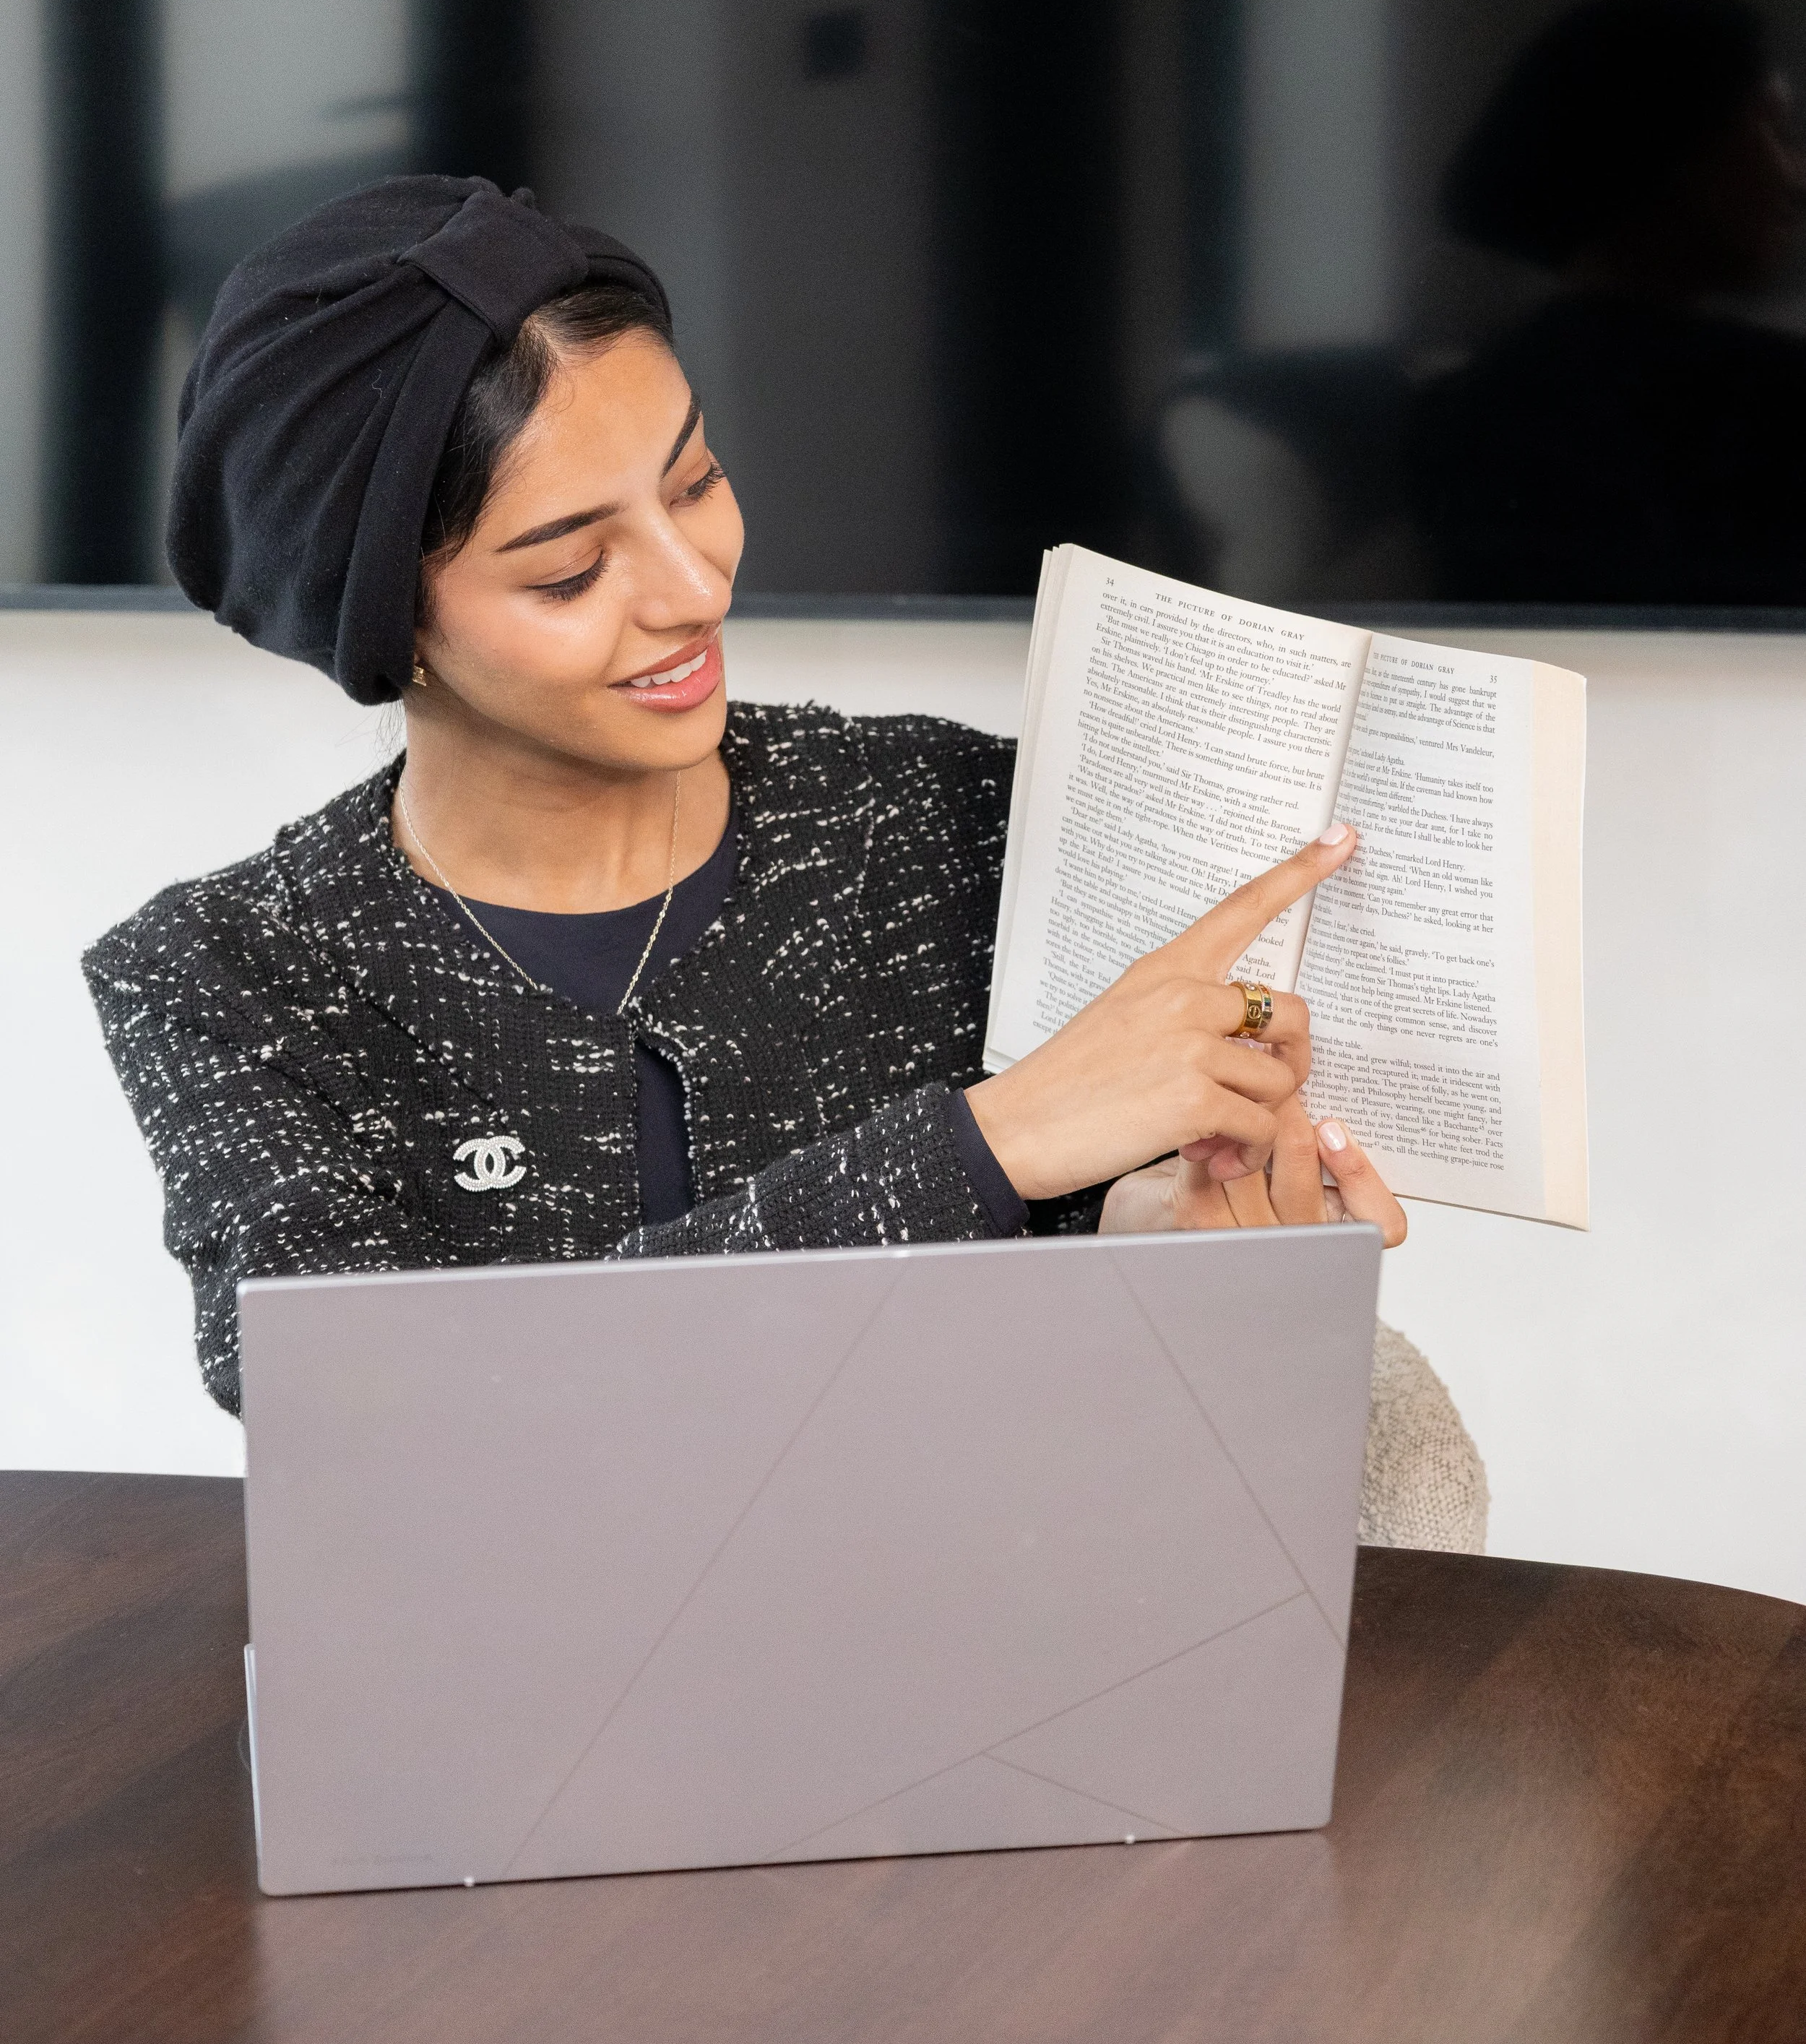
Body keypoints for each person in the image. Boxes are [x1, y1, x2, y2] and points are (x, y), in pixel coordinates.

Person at [85, 174, 1484, 1547]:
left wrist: (1165, 1240)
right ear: (385, 621)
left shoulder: (951, 814)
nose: (695, 587)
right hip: (544, 1713)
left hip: (995, 1633)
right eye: (570, 572)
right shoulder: (228, 974)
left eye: (692, 482)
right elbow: (386, 1427)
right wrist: (988, 1143)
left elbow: (1065, 1363)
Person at [1414, 0, 1806, 603]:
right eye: (1775, 132)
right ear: (1672, 147)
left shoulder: (1462, 411)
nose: (1795, 178)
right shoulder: (1775, 403)